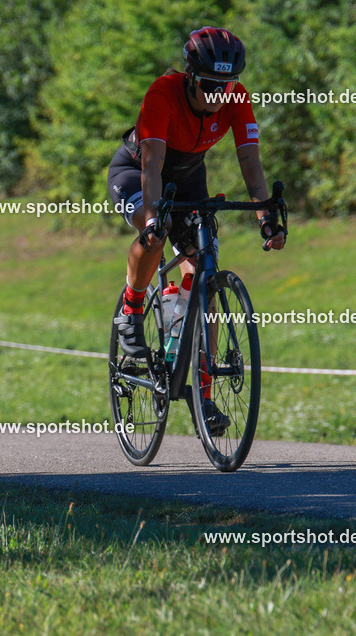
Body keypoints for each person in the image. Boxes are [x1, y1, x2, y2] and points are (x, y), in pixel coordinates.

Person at [108, 26, 286, 435]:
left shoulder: (234, 98)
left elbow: (250, 164)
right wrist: (153, 219)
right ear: (190, 76)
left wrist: (265, 219)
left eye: (226, 86)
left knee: (202, 274)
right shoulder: (162, 93)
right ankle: (132, 307)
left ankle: (201, 397)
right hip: (137, 173)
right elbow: (151, 166)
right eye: (209, 85)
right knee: (158, 231)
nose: (217, 95)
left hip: (189, 177)